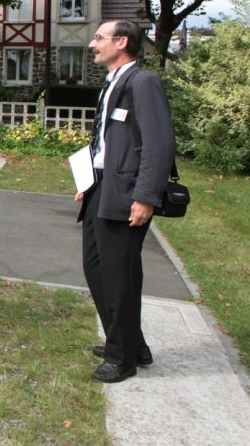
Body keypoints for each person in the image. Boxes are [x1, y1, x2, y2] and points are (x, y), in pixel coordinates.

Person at [76, 20, 175, 383]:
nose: (92, 44)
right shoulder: (113, 82)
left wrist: (146, 197)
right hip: (101, 187)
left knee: (120, 275)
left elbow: (159, 143)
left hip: (127, 192)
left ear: (122, 42)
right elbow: (106, 143)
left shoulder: (142, 82)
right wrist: (88, 180)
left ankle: (123, 358)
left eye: (99, 38)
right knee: (96, 267)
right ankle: (132, 343)